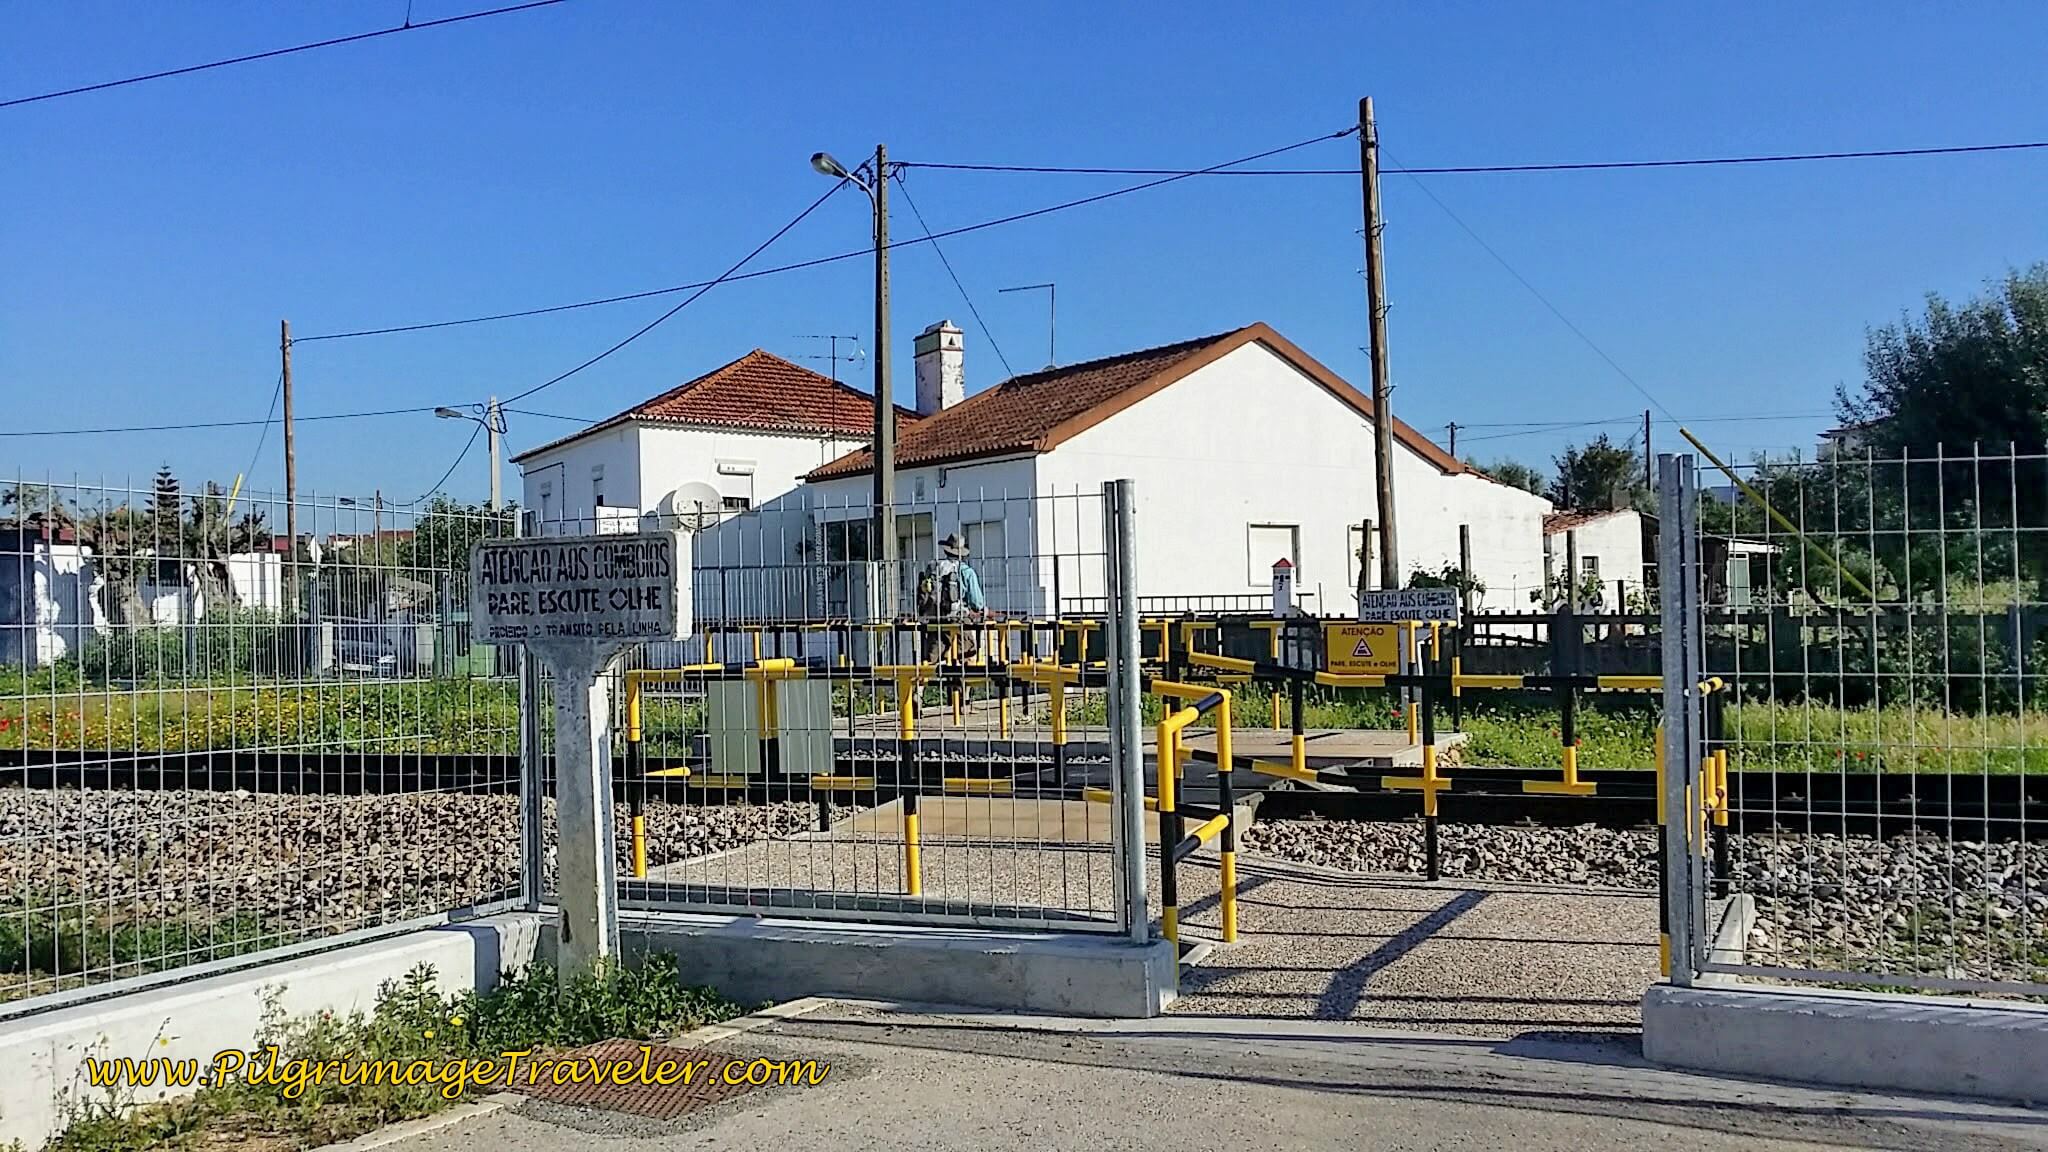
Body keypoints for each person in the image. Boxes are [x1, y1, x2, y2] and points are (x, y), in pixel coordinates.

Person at [918, 533, 987, 662]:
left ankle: (925, 680)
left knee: (931, 660)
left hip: (936, 619)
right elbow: (977, 603)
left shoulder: (933, 568)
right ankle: (959, 680)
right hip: (958, 619)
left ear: (946, 550)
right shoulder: (966, 571)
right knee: (968, 654)